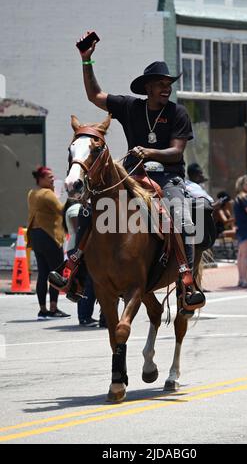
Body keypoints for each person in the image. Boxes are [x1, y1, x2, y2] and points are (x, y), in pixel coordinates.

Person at [51, 32, 205, 309]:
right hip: (132, 175)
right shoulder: (130, 106)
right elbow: (94, 95)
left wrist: (149, 152)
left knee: (182, 217)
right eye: (160, 83)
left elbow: (177, 152)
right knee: (89, 210)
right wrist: (87, 61)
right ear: (147, 87)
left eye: (168, 83)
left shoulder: (178, 113)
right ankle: (73, 272)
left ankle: (186, 283)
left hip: (168, 177)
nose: (166, 88)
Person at [27, 166, 71, 319]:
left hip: (36, 236)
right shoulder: (47, 194)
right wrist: (71, 196)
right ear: (41, 179)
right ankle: (53, 308)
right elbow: (62, 210)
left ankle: (42, 310)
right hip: (49, 237)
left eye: (53, 177)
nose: (52, 179)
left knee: (42, 274)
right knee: (56, 274)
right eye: (49, 177)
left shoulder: (32, 193)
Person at [63, 199, 107, 327]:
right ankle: (85, 317)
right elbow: (80, 233)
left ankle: (89, 317)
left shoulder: (88, 207)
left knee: (89, 282)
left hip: (83, 249)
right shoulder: (78, 209)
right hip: (81, 249)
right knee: (88, 283)